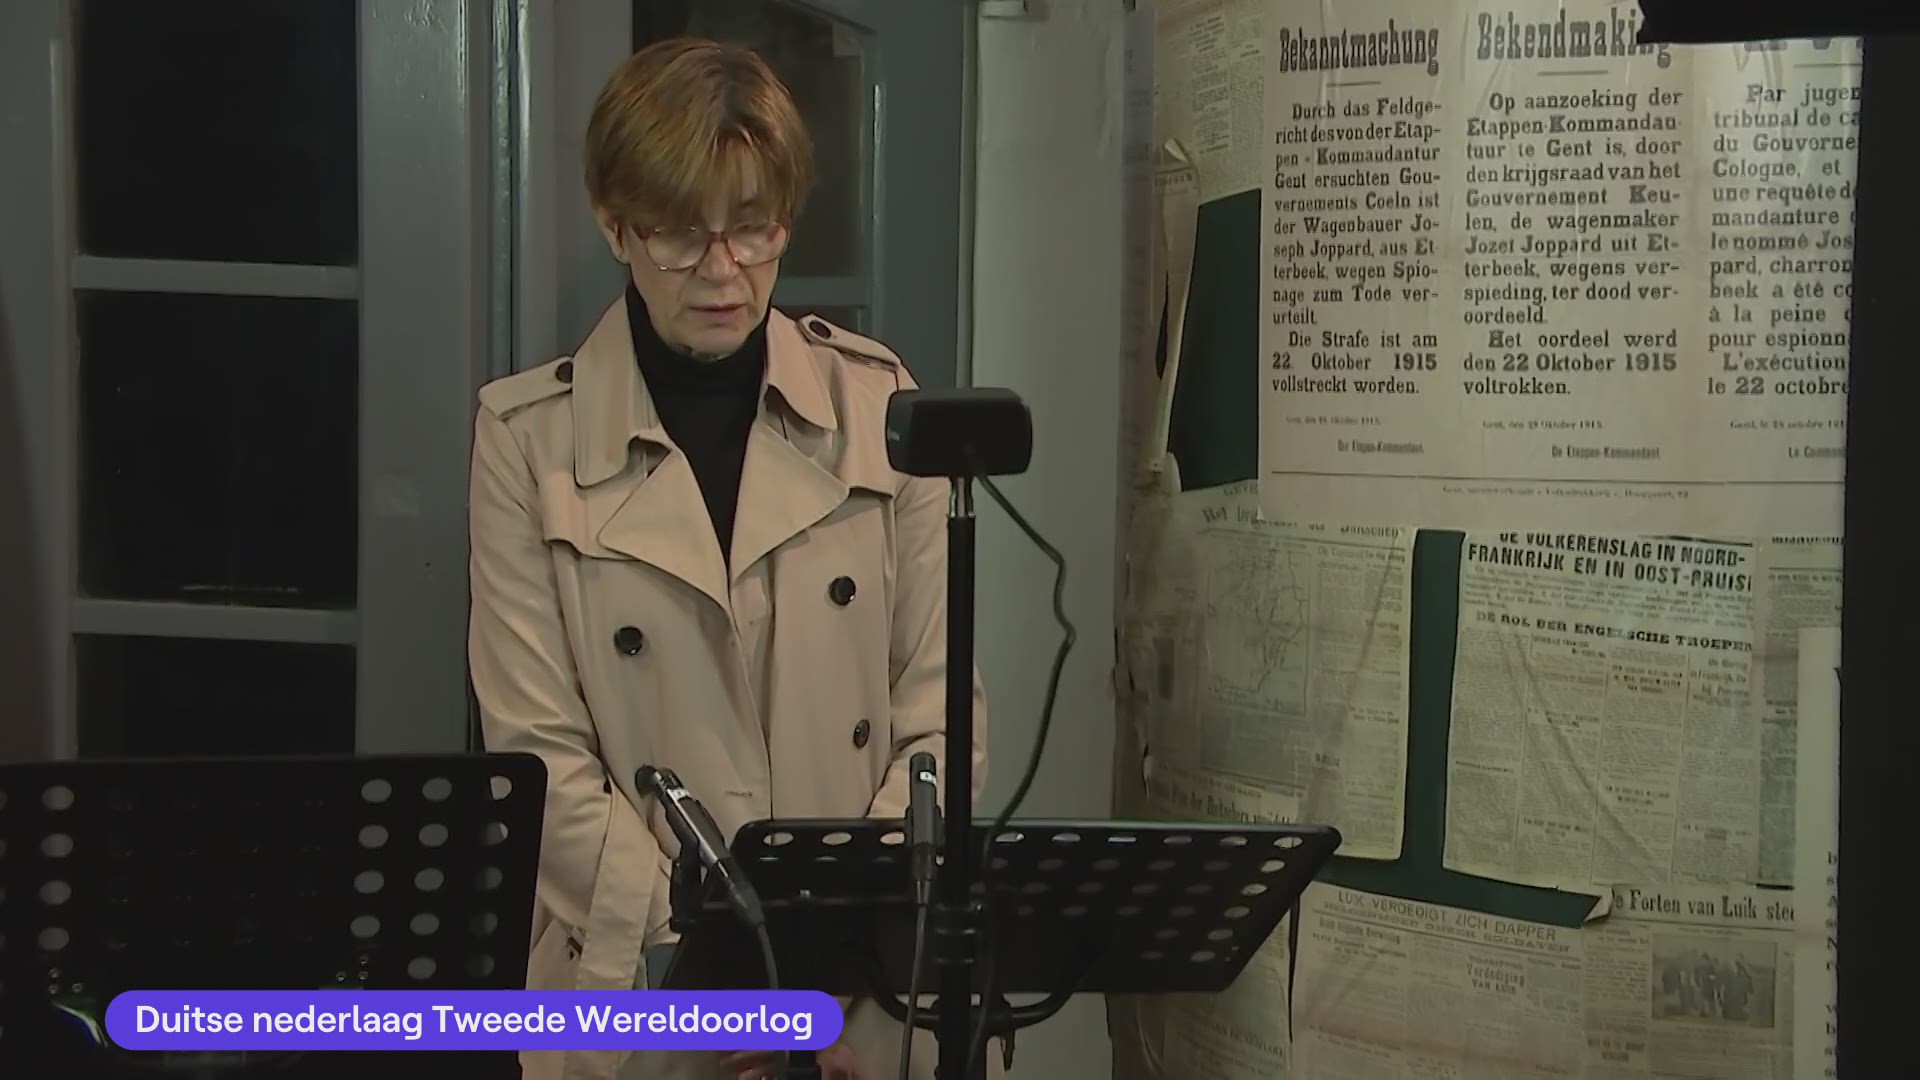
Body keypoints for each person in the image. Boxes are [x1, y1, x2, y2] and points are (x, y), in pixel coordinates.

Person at [466, 37, 988, 1080]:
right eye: (678, 233)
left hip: (866, 1002)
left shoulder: (880, 407)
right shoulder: (527, 441)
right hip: (645, 992)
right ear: (615, 224)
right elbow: (540, 758)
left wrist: (830, 965)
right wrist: (729, 978)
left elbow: (938, 722)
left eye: (753, 227)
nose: (722, 270)